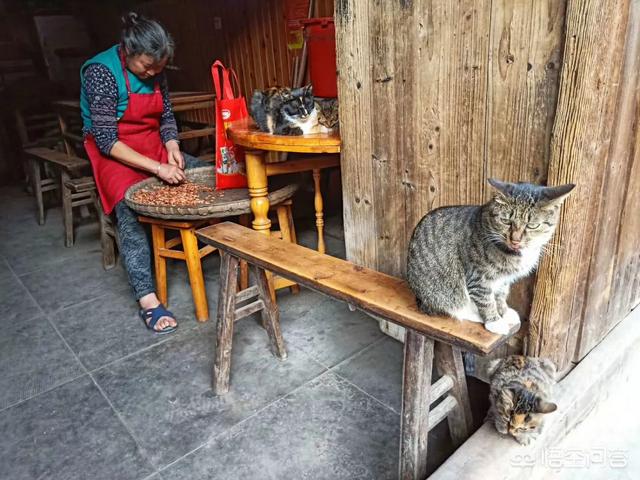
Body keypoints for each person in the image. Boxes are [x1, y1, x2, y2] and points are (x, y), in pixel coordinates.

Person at [80, 12, 206, 334]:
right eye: (147, 67)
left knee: (205, 174)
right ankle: (148, 300)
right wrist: (158, 168)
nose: (152, 73)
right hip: (115, 154)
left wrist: (172, 146)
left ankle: (215, 245)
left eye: (159, 67)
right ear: (128, 51)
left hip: (152, 144)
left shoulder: (157, 70)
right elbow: (106, 140)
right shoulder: (101, 71)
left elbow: (166, 117)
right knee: (130, 209)